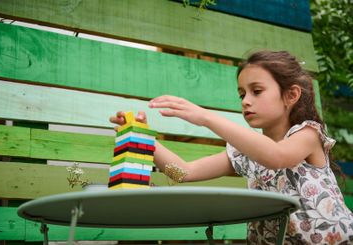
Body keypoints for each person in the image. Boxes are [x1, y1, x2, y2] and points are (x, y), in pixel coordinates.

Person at [110, 50, 353, 244]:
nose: (246, 101)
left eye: (256, 91)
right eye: (242, 94)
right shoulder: (245, 153)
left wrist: (206, 117)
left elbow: (277, 157)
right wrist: (141, 137)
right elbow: (184, 173)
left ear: (291, 95)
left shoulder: (307, 134)